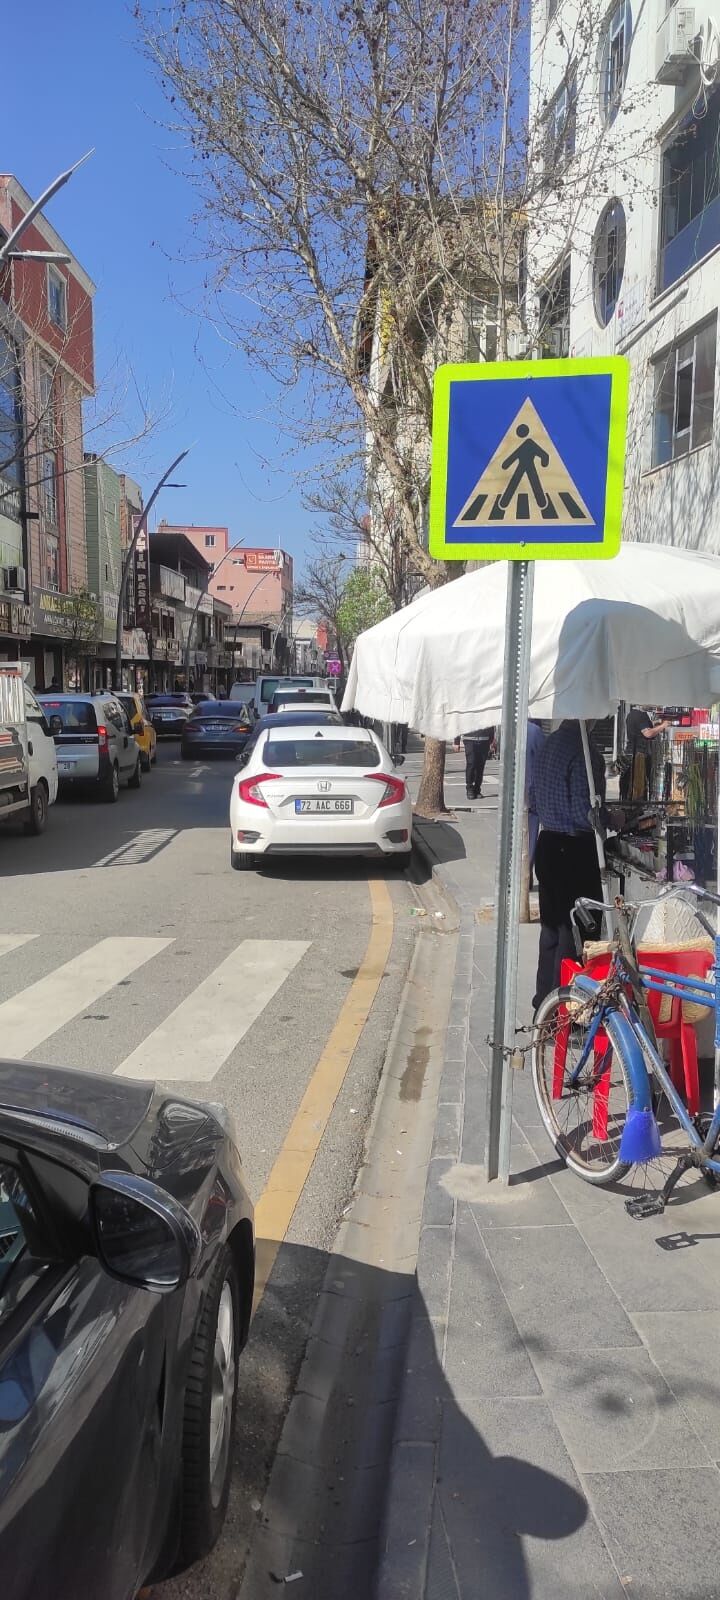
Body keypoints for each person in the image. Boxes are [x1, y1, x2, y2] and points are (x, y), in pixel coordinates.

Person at [531, 720, 622, 1010]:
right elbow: (585, 813)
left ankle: (544, 1003)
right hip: (574, 848)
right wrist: (611, 818)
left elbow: (533, 797)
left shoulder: (549, 744)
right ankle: (567, 1009)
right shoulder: (585, 752)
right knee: (577, 932)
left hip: (547, 843)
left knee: (552, 929)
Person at [620, 706, 670, 803]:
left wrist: (655, 726)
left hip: (635, 753)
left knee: (634, 787)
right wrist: (663, 726)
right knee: (638, 787)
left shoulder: (633, 714)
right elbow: (647, 733)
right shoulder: (639, 715)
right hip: (639, 755)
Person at [525, 719, 546, 880]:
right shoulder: (535, 732)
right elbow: (544, 757)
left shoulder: (510, 729)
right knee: (530, 834)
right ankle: (526, 873)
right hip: (531, 790)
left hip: (514, 791)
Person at [463, 727, 494, 799]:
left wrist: (492, 740)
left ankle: (477, 789)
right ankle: (469, 788)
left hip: (484, 740)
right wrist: (456, 741)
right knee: (471, 763)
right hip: (469, 739)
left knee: (480, 765)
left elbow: (491, 724)